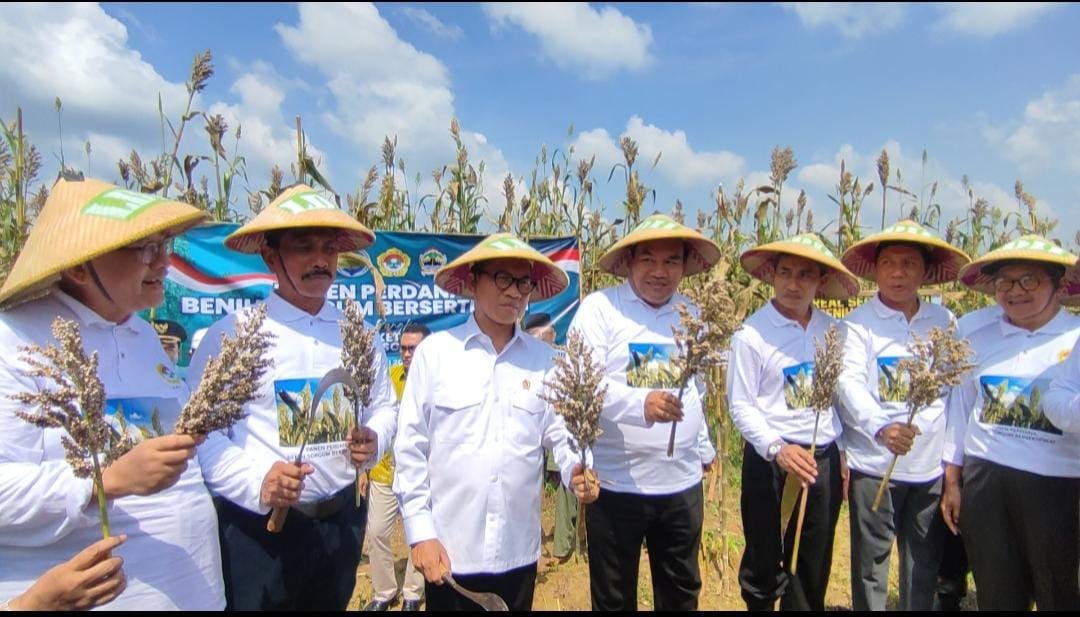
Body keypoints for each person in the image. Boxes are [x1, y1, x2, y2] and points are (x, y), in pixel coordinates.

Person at [0, 176, 225, 609]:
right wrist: (105, 480)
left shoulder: (141, 332)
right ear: (79, 267)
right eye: (144, 250)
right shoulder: (15, 343)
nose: (163, 263)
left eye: (165, 246)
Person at [188, 184, 397, 610]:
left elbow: (385, 405)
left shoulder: (355, 334)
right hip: (260, 533)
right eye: (304, 247)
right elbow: (200, 434)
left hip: (340, 526)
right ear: (270, 256)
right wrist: (259, 482)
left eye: (328, 248)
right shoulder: (233, 336)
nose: (320, 260)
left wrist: (374, 439)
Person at [394, 233, 598, 611]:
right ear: (473, 281)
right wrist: (420, 533)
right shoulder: (436, 355)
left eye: (523, 282)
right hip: (451, 551)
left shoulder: (545, 360)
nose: (515, 292)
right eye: (502, 278)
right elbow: (410, 448)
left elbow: (561, 434)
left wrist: (577, 471)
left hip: (516, 550)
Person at [569, 214, 719, 611]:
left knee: (680, 592)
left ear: (685, 266)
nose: (659, 271)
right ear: (629, 262)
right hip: (617, 486)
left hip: (680, 485)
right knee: (615, 596)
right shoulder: (601, 310)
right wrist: (641, 404)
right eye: (648, 259)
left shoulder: (693, 315)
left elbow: (697, 388)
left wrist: (703, 447)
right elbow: (584, 382)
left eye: (672, 261)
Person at [837, 220, 970, 611]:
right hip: (875, 465)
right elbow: (849, 383)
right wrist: (881, 427)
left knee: (922, 565)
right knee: (870, 566)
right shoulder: (858, 324)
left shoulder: (943, 323)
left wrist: (950, 467)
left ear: (926, 272)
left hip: (928, 470)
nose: (898, 273)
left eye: (909, 264)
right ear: (875, 269)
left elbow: (954, 394)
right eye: (889, 263)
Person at [942, 236, 1080, 610]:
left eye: (1029, 280)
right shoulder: (978, 338)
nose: (1015, 291)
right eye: (1005, 281)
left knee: (1059, 589)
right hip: (986, 480)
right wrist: (953, 479)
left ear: (1059, 285)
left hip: (1057, 486)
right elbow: (960, 408)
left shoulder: (1075, 338)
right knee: (997, 589)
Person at [728, 233, 860, 610]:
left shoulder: (834, 332)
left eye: (805, 274)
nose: (793, 283)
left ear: (820, 281)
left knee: (813, 561)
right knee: (763, 559)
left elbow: (841, 399)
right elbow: (741, 405)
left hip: (822, 461)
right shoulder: (752, 335)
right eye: (785, 272)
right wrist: (778, 448)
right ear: (772, 276)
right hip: (771, 459)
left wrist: (844, 452)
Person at [364, 322, 431, 612]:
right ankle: (385, 592)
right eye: (402, 348)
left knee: (420, 532)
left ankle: (413, 594)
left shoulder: (439, 384)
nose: (406, 354)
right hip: (384, 471)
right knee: (377, 531)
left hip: (422, 474)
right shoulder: (389, 379)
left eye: (412, 349)